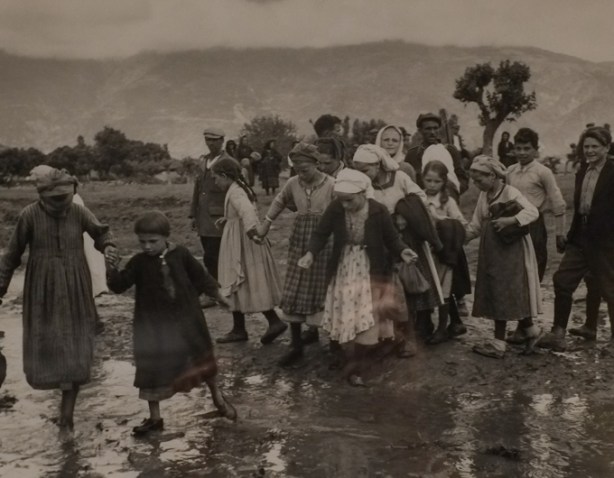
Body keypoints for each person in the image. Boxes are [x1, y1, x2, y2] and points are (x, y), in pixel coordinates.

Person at [0, 168, 117, 432]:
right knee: (50, 345)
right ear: (42, 196)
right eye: (54, 200)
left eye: (65, 198)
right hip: (43, 289)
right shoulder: (28, 215)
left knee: (76, 344)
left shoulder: (78, 212)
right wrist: (0, 288)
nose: (61, 205)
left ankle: (67, 414)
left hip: (76, 285)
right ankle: (63, 411)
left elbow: (101, 233)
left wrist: (109, 247)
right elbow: (11, 255)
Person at [106, 211, 236, 436]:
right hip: (153, 327)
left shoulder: (182, 255)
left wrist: (219, 295)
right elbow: (119, 285)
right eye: (142, 242)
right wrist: (110, 268)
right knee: (152, 369)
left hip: (188, 321)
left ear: (166, 237)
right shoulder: (138, 262)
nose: (147, 246)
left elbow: (202, 278)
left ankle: (217, 397)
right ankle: (155, 418)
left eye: (153, 241)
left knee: (201, 358)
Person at [298, 169, 417, 386]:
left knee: (366, 311)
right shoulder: (336, 208)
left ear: (363, 193)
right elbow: (321, 233)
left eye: (349, 200)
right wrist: (310, 253)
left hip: (369, 266)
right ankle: (340, 352)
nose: (344, 205)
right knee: (343, 307)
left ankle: (357, 365)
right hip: (344, 264)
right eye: (341, 200)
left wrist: (402, 251)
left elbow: (391, 238)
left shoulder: (378, 211)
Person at [352, 144, 440, 354]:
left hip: (405, 240)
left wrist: (403, 212)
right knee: (387, 290)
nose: (362, 175)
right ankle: (389, 337)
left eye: (365, 170)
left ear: (378, 165)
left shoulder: (399, 178)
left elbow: (421, 196)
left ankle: (410, 338)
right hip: (380, 241)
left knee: (409, 289)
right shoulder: (365, 185)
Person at [258, 143, 335, 366]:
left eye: (305, 169)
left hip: (324, 242)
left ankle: (335, 344)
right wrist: (265, 225)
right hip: (300, 239)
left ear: (317, 164)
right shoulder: (293, 183)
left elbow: (341, 211)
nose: (301, 173)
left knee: (322, 287)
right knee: (295, 287)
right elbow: (279, 200)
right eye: (297, 169)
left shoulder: (331, 185)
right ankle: (296, 345)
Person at [539, 127, 614, 351]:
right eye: (586, 146)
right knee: (562, 280)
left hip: (606, 242)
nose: (589, 151)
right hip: (580, 239)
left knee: (610, 288)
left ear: (607, 148)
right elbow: (581, 208)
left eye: (595, 147)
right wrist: (570, 236)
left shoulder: (613, 171)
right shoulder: (582, 171)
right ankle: (558, 334)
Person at [465, 156, 543, 359]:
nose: (476, 184)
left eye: (479, 179)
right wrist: (461, 239)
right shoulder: (485, 195)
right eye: (474, 180)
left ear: (492, 175)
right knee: (499, 290)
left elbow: (533, 212)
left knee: (504, 291)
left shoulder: (510, 192)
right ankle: (533, 333)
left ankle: (498, 345)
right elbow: (476, 223)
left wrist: (511, 220)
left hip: (511, 250)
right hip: (492, 250)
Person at [211, 158, 287, 344]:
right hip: (239, 237)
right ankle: (240, 328)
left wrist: (252, 232)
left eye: (215, 178)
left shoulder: (236, 192)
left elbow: (247, 211)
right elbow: (241, 212)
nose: (215, 182)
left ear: (224, 176)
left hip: (242, 242)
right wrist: (228, 219)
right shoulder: (238, 187)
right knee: (240, 280)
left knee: (243, 278)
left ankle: (272, 322)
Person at [29, 165, 108, 334]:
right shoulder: (65, 199)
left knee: (81, 286)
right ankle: (88, 322)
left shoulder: (73, 202)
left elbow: (95, 230)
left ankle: (89, 322)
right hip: (76, 247)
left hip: (80, 247)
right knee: (80, 286)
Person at [506, 128, 566, 283]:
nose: (522, 152)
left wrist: (560, 233)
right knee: (513, 265)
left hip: (534, 224)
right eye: (518, 148)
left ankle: (534, 302)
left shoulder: (543, 172)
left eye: (527, 148)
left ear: (535, 150)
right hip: (513, 222)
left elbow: (557, 201)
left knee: (534, 264)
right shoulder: (510, 171)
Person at [422, 160, 469, 344]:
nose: (432, 185)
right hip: (426, 252)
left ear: (444, 182)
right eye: (428, 180)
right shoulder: (420, 198)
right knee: (425, 287)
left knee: (444, 289)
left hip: (443, 254)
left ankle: (442, 327)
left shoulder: (447, 201)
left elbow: (460, 223)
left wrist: (440, 220)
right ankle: (425, 324)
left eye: (437, 182)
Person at [190, 128, 239, 285]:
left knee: (214, 255)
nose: (210, 143)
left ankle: (218, 289)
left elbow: (237, 189)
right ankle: (218, 287)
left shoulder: (229, 162)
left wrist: (233, 215)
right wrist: (193, 214)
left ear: (221, 141)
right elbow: (198, 189)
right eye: (207, 140)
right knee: (209, 254)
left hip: (220, 217)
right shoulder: (203, 161)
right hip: (203, 218)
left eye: (213, 140)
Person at [404, 112, 469, 201]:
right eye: (428, 129)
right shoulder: (412, 154)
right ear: (420, 131)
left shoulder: (450, 150)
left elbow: (462, 178)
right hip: (421, 203)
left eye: (435, 128)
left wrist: (452, 191)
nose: (432, 132)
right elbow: (407, 181)